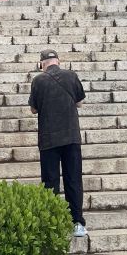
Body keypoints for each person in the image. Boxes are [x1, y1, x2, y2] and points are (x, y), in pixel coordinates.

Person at [28, 49, 87, 237]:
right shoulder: (71, 76)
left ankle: (51, 223)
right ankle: (77, 222)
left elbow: (33, 109)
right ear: (58, 61)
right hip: (71, 136)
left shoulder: (38, 80)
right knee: (73, 179)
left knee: (50, 182)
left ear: (42, 64)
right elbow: (80, 103)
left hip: (49, 138)